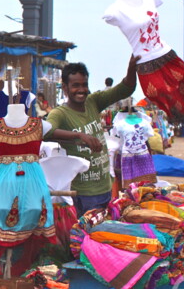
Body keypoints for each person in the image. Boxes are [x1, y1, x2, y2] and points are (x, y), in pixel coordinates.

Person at [103, 0, 184, 131]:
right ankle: (178, 118)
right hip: (144, 61)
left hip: (165, 53)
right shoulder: (114, 11)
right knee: (159, 91)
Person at [45, 54, 140, 217]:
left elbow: (125, 89)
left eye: (84, 85)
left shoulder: (93, 102)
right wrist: (80, 136)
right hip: (83, 193)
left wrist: (132, 68)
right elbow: (46, 131)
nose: (81, 90)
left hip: (105, 187)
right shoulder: (60, 114)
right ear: (65, 88)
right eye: (75, 85)